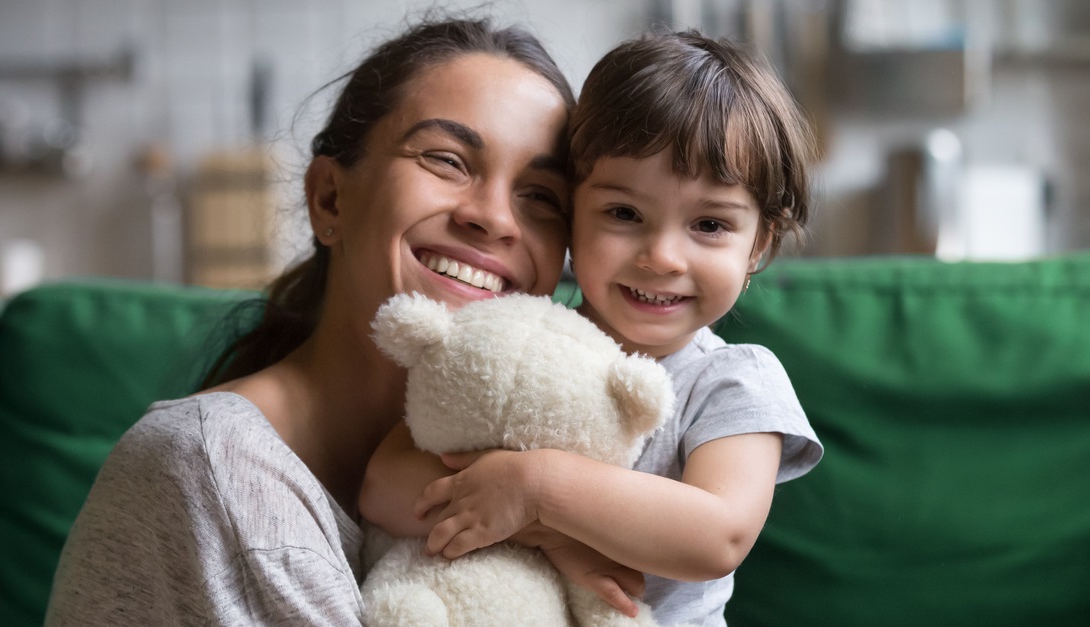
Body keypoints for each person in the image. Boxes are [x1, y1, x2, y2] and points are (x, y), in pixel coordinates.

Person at [44, 16, 577, 626]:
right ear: (330, 198)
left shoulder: (533, 473)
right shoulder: (216, 469)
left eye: (541, 197)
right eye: (447, 160)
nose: (497, 220)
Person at [359, 29, 824, 626]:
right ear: (572, 212)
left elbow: (718, 535)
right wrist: (544, 534)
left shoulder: (733, 379)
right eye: (624, 213)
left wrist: (540, 488)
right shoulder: (520, 340)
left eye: (709, 224)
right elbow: (385, 481)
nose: (663, 257)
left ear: (758, 242)